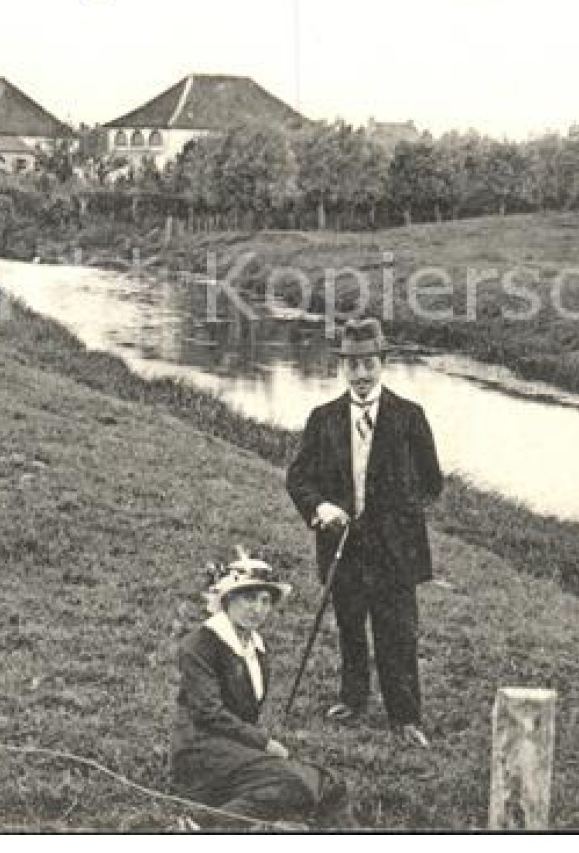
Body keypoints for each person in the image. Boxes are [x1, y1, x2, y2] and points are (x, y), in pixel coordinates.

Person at [285, 317, 442, 749]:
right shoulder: (324, 419)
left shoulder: (410, 418)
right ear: (342, 368)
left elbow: (432, 482)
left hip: (395, 552)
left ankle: (406, 718)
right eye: (352, 365)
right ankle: (353, 701)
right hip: (343, 548)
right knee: (351, 626)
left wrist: (397, 516)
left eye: (368, 364)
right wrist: (321, 507)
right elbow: (298, 478)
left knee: (397, 633)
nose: (360, 374)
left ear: (382, 363)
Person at [171, 546, 346, 828]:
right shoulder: (201, 643)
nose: (258, 609)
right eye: (249, 598)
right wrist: (264, 743)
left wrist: (258, 747)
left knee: (330, 783)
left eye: (265, 601)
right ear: (228, 598)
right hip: (200, 752)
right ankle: (204, 825)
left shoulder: (257, 648)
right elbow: (208, 713)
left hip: (238, 749)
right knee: (293, 782)